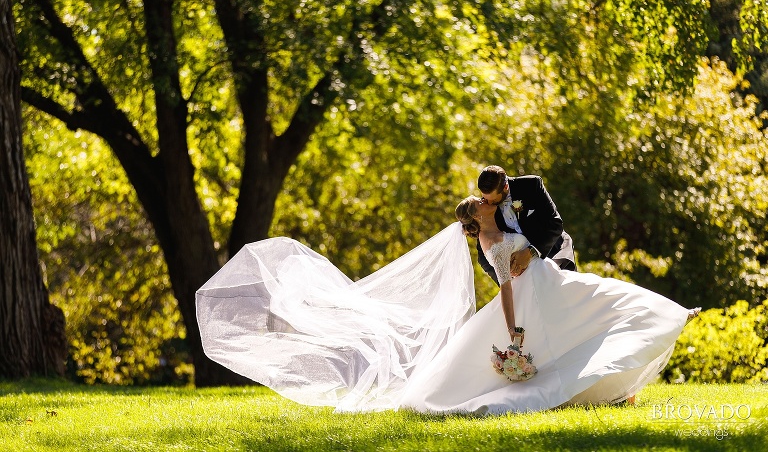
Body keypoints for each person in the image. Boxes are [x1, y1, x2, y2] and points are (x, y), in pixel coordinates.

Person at [196, 197, 697, 415]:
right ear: (475, 220)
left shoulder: (502, 223)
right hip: (529, 296)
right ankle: (618, 362)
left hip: (549, 284)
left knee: (603, 300)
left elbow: (532, 222)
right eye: (481, 207)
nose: (487, 205)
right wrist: (514, 335)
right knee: (573, 326)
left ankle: (662, 319)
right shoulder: (490, 241)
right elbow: (504, 286)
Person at [476, 165, 575, 284]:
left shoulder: (532, 185)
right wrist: (507, 278)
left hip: (554, 253)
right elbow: (483, 256)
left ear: (506, 186)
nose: (488, 203)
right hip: (522, 276)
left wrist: (530, 252)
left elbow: (555, 224)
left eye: (493, 200)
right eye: (484, 198)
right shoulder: (485, 208)